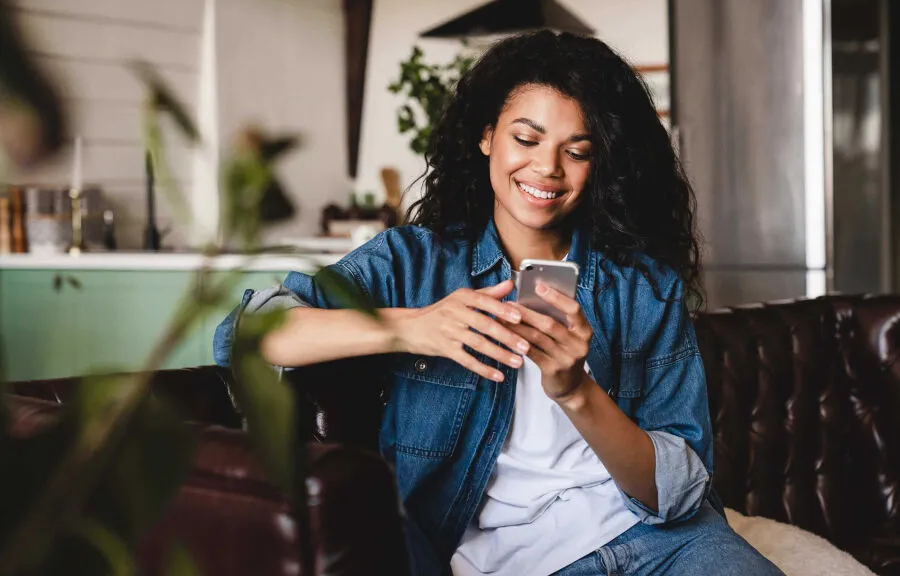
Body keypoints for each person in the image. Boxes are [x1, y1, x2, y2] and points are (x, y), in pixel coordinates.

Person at [213, 30, 784, 576]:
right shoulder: (412, 264)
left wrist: (577, 392)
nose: (547, 169)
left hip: (662, 545)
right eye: (527, 139)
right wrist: (411, 327)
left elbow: (679, 491)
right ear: (487, 135)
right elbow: (247, 333)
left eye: (576, 151)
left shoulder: (640, 286)